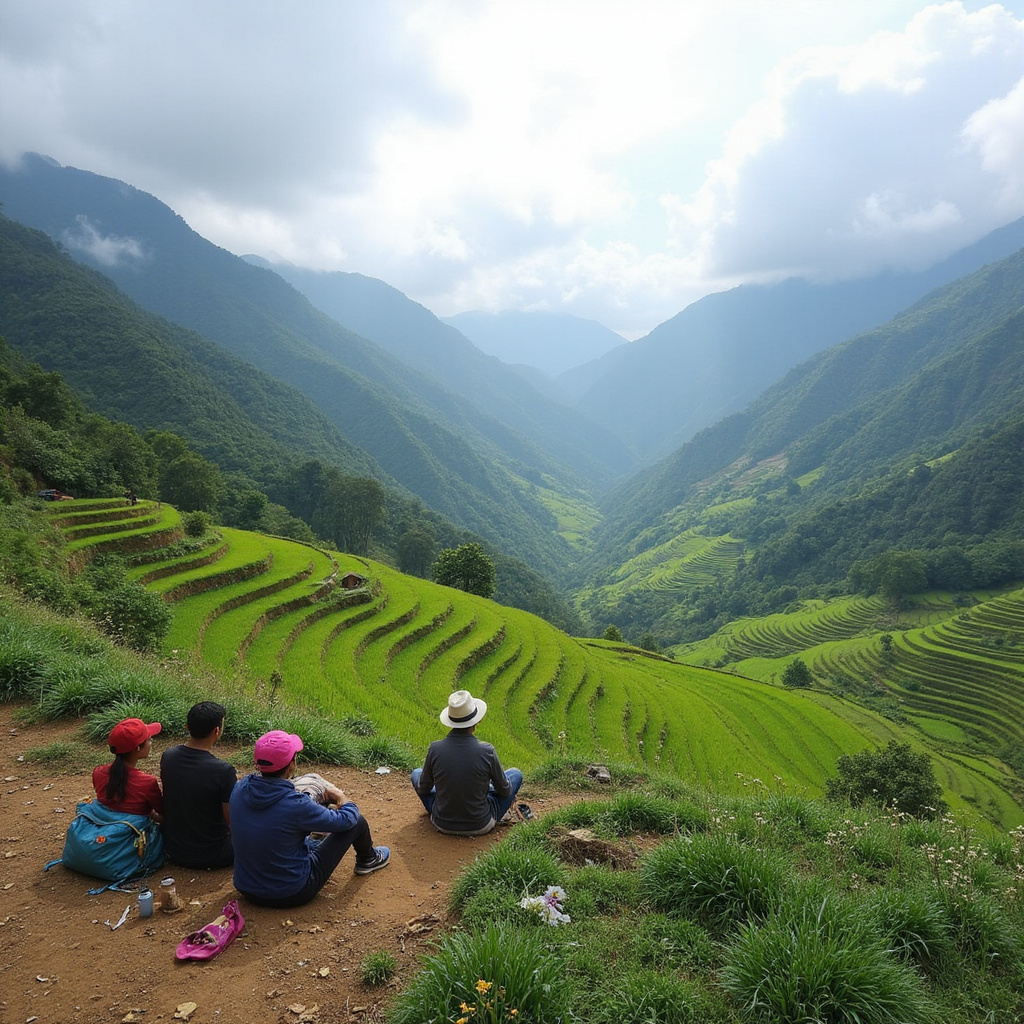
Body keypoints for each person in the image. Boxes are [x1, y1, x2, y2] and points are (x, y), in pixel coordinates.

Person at [230, 730, 389, 907]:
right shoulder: (296, 804)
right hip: (292, 891)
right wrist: (341, 798)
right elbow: (347, 820)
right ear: (291, 765)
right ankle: (368, 859)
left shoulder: (240, 787)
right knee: (357, 821)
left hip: (246, 887)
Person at [412, 689, 523, 835]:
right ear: (477, 720)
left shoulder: (435, 749)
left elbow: (424, 789)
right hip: (481, 823)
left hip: (441, 822)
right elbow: (505, 791)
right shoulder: (487, 751)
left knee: (416, 773)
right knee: (515, 774)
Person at [160, 701, 236, 869]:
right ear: (217, 731)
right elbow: (231, 821)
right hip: (214, 854)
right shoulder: (224, 770)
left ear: (187, 726)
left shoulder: (168, 756)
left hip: (173, 849)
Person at [92, 717, 163, 821]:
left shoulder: (98, 773)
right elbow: (162, 813)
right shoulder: (147, 783)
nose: (151, 743)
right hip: (133, 834)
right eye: (149, 739)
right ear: (138, 748)